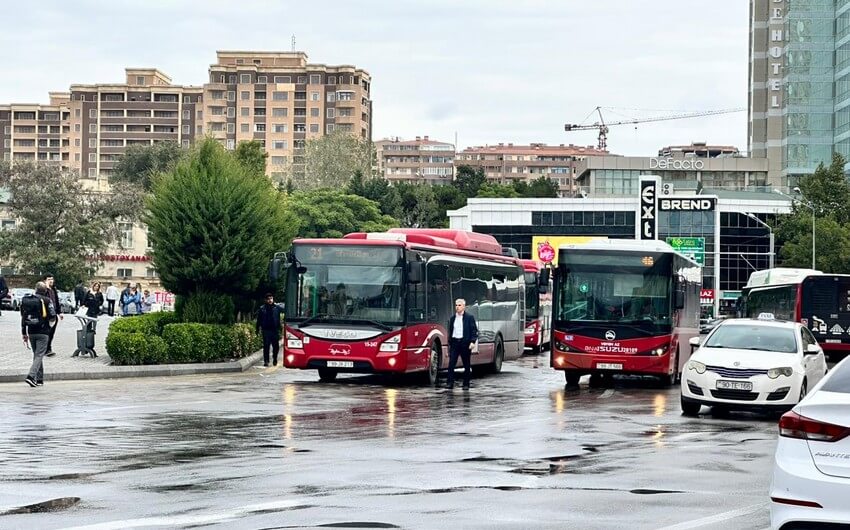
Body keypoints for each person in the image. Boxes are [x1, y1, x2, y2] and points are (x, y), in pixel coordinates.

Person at [20, 281, 57, 387]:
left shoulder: (28, 300)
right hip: (43, 332)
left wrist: (24, 333)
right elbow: (53, 315)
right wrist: (49, 327)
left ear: (35, 289)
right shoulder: (47, 300)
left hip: (31, 331)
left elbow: (23, 317)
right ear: (45, 291)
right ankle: (31, 376)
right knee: (39, 355)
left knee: (37, 355)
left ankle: (39, 379)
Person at [446, 298, 479, 390]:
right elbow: (451, 331)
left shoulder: (469, 318)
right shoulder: (452, 319)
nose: (457, 307)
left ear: (464, 307)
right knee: (451, 363)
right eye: (456, 305)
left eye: (459, 305)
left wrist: (472, 341)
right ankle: (449, 383)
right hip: (455, 343)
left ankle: (466, 384)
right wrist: (450, 344)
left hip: (465, 343)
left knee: (466, 364)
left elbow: (474, 331)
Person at [256, 292, 284, 367]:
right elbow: (259, 320)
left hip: (275, 330)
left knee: (276, 346)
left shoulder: (277, 307)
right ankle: (266, 361)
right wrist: (257, 329)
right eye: (268, 299)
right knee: (266, 346)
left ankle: (275, 358)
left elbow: (285, 309)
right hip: (266, 330)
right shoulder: (262, 309)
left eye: (271, 298)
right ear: (265, 300)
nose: (270, 300)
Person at [43, 274, 63, 357]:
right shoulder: (43, 289)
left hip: (53, 314)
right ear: (45, 280)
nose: (51, 281)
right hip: (45, 315)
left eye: (52, 279)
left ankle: (49, 348)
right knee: (46, 333)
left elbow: (56, 301)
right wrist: (46, 288)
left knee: (51, 333)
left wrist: (59, 312)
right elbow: (42, 298)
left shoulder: (54, 289)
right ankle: (45, 349)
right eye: (48, 279)